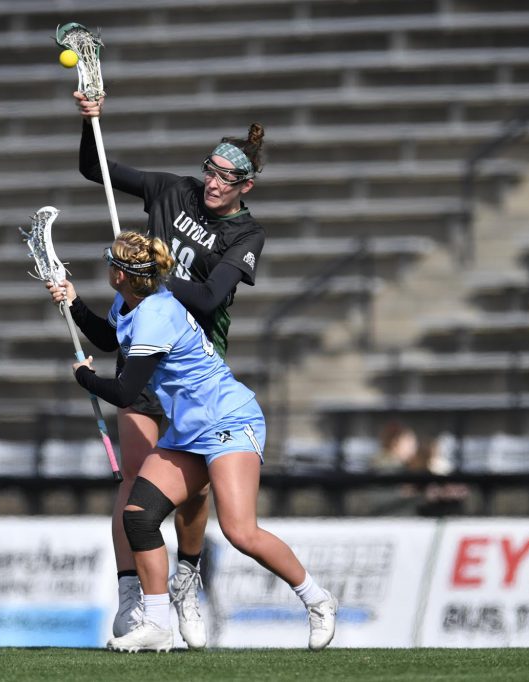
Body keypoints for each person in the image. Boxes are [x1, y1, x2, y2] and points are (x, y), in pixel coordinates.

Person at [48, 232, 338, 652]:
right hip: (188, 430)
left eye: (111, 262)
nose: (106, 266)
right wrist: (73, 302)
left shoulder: (155, 315)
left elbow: (127, 393)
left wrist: (84, 378)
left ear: (122, 275)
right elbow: (110, 339)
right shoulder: (130, 303)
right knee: (140, 516)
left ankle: (317, 599)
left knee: (241, 531)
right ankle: (157, 624)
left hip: (228, 420)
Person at [72, 91, 267, 648]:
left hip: (192, 374)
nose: (213, 183)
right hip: (141, 360)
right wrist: (91, 121)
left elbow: (207, 301)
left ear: (245, 187)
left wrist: (153, 278)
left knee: (194, 496)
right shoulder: (171, 190)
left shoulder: (245, 234)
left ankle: (187, 575)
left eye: (227, 178)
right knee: (135, 484)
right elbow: (96, 168)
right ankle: (134, 594)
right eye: (211, 170)